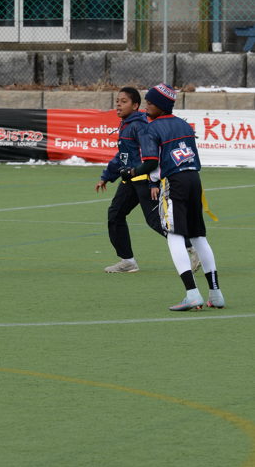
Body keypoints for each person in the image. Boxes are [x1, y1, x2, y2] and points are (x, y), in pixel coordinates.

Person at [119, 83, 225, 311]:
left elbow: (150, 162)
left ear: (161, 105)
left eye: (150, 103)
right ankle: (216, 293)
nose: (146, 107)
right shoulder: (184, 125)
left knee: (174, 235)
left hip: (174, 183)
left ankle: (192, 293)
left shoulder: (151, 128)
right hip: (194, 180)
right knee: (198, 237)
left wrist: (131, 172)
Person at [95, 86, 200, 274]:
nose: (118, 104)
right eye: (117, 101)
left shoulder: (140, 126)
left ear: (135, 105)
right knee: (115, 214)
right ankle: (127, 261)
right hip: (130, 179)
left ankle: (191, 247)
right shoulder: (127, 125)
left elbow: (152, 156)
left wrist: (153, 183)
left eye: (124, 101)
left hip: (144, 179)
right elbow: (123, 156)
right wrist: (107, 176)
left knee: (156, 221)